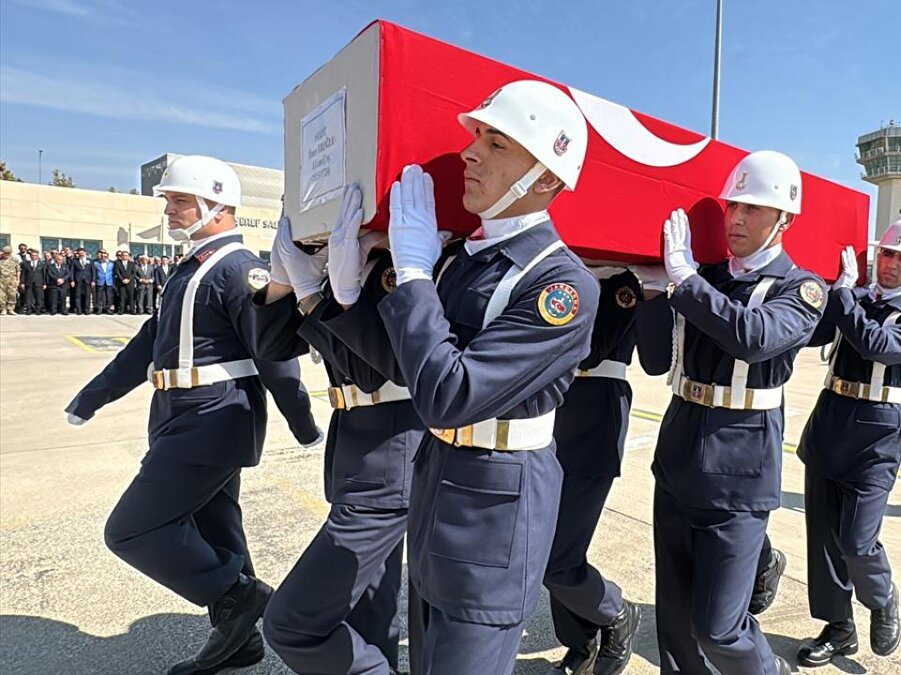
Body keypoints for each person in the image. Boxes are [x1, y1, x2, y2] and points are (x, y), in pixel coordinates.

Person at [378, 80, 599, 674]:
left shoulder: (561, 285)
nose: (471, 152)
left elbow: (449, 394)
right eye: (477, 135)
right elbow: (398, 363)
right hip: (437, 485)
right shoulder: (463, 257)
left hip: (495, 513)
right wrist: (329, 294)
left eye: (497, 142)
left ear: (547, 178)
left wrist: (416, 274)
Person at [64, 155, 309, 675]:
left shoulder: (241, 270)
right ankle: (238, 640)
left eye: (180, 200)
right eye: (170, 199)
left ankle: (237, 597)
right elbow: (150, 343)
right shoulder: (189, 269)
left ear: (218, 206)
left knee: (132, 529)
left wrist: (301, 421)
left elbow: (273, 353)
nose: (169, 209)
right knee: (216, 526)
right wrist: (92, 397)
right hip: (180, 414)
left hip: (214, 421)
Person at [635, 150, 824, 675]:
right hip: (678, 452)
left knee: (718, 626)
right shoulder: (706, 275)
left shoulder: (801, 287)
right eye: (733, 205)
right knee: (673, 622)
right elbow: (654, 361)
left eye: (753, 209)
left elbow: (753, 337)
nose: (737, 218)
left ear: (784, 217)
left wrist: (684, 280)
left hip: (740, 465)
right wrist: (652, 290)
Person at [251, 190, 421, 675]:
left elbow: (370, 369)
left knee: (293, 622)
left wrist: (312, 295)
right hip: (355, 447)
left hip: (391, 453)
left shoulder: (387, 260)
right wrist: (286, 281)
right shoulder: (337, 259)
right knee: (371, 613)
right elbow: (272, 343)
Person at [791, 218, 901, 667]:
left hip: (876, 432)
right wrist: (817, 293)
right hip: (831, 417)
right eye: (888, 254)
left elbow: (878, 345)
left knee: (858, 541)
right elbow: (811, 332)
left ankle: (882, 597)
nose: (891, 265)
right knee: (822, 539)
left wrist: (843, 298)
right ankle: (838, 628)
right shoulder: (851, 296)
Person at [544, 266, 643, 675]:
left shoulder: (621, 283)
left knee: (558, 555)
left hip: (595, 414)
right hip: (554, 409)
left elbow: (594, 346)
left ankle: (615, 611)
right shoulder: (563, 270)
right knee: (550, 543)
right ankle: (581, 641)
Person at [19, 249, 46, 315]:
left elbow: (44, 274)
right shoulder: (26, 264)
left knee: (38, 297)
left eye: (35, 255)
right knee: (28, 297)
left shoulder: (42, 264)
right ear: (30, 256)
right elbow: (23, 274)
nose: (33, 257)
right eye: (32, 255)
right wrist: (22, 282)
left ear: (37, 256)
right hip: (29, 283)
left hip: (38, 283)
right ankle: (29, 309)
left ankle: (38, 310)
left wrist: (44, 283)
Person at [71, 248, 93, 315]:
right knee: (78, 296)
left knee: (87, 296)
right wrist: (72, 280)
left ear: (85, 253)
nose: (81, 254)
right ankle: (79, 310)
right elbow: (72, 271)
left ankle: (86, 310)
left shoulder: (90, 261)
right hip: (78, 280)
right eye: (79, 253)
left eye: (82, 253)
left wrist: (93, 280)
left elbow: (93, 271)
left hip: (87, 280)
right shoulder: (74, 261)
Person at [92, 249, 115, 314]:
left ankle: (108, 309)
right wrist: (94, 280)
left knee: (109, 296)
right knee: (99, 296)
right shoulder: (96, 263)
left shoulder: (112, 263)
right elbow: (94, 273)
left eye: (105, 256)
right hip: (100, 281)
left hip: (109, 281)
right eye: (102, 256)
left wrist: (113, 282)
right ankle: (99, 309)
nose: (103, 258)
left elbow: (113, 273)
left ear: (107, 257)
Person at [114, 250, 136, 314]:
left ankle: (132, 310)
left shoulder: (132, 263)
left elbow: (133, 273)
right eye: (123, 255)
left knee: (131, 297)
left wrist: (129, 279)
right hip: (121, 283)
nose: (125, 256)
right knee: (122, 297)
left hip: (130, 282)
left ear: (128, 256)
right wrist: (122, 279)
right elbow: (117, 272)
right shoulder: (118, 263)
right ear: (121, 256)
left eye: (126, 255)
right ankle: (122, 310)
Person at [0, 246, 20, 315]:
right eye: (4, 253)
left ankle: (10, 309)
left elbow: (18, 270)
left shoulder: (14, 260)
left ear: (10, 253)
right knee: (1, 295)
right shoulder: (0, 260)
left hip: (12, 280)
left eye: (7, 253)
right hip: (1, 280)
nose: (5, 254)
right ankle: (3, 309)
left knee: (12, 295)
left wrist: (18, 280)